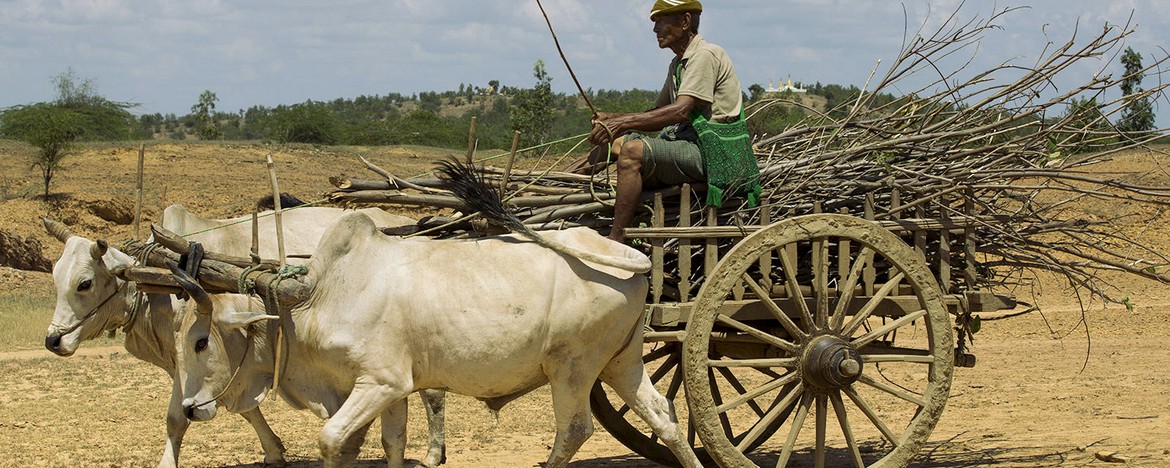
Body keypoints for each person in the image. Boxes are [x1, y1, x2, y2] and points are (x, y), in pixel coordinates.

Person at [585, 0, 760, 242]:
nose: (655, 29)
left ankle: (617, 238)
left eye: (660, 21)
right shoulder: (678, 64)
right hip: (692, 146)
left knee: (633, 150)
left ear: (685, 22)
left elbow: (679, 112)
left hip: (716, 153)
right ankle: (562, 185)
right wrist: (612, 119)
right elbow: (659, 111)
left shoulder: (705, 55)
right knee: (614, 143)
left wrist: (621, 123)